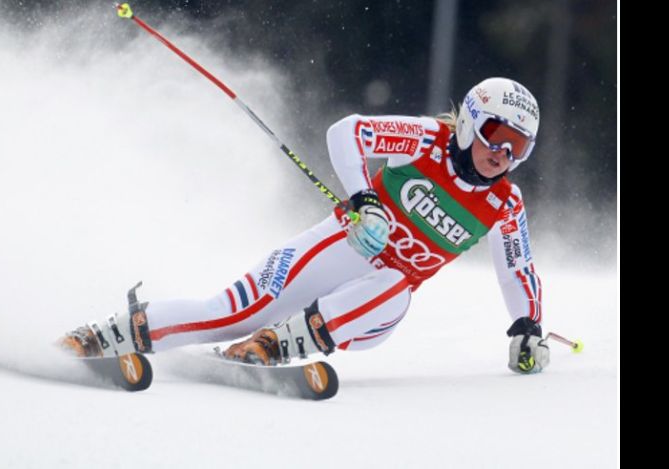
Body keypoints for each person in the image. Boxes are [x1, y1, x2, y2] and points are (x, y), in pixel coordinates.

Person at [61, 77, 550, 375]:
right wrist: (364, 201)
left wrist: (527, 326)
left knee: (397, 284)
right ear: (469, 123)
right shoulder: (429, 141)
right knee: (231, 313)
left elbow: (517, 268)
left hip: (368, 310)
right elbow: (347, 132)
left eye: (519, 147)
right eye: (496, 135)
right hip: (342, 246)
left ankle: (281, 343)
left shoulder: (505, 202)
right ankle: (106, 335)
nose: (502, 154)